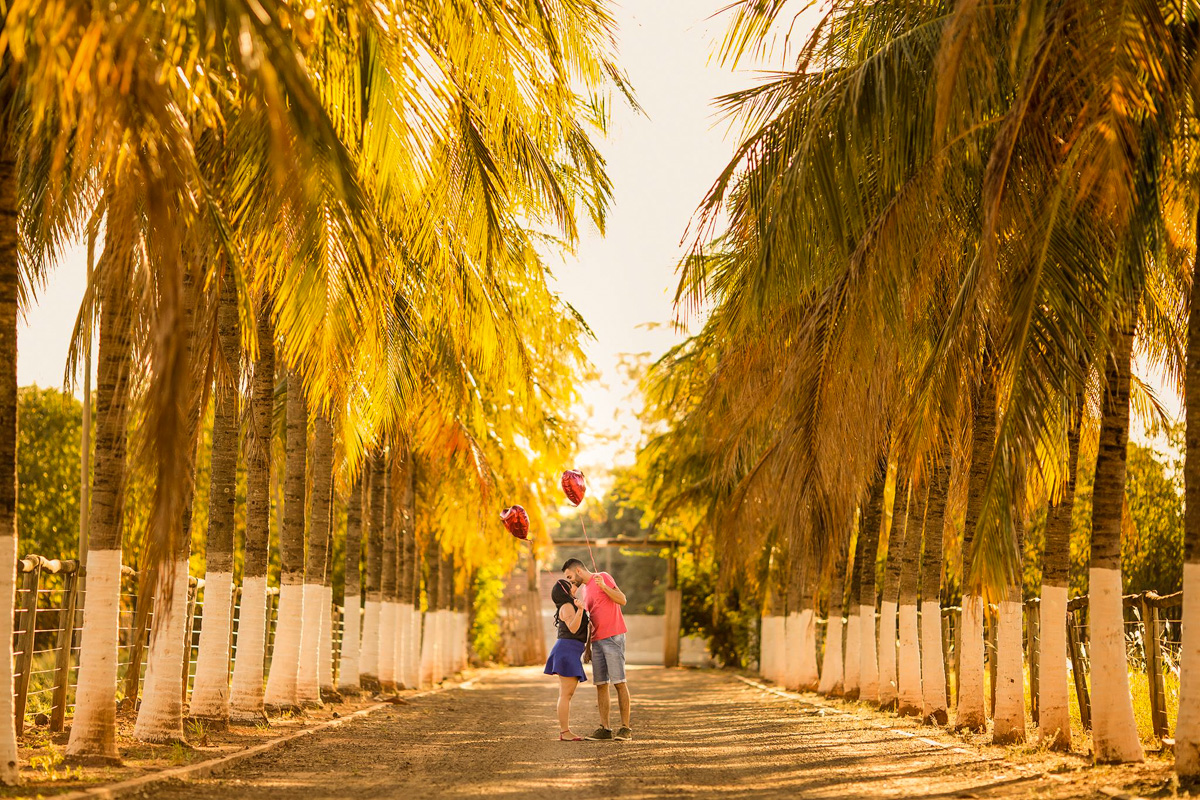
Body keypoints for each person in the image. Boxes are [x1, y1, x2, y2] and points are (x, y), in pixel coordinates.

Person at [562, 557, 631, 741]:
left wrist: (605, 587)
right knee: (601, 685)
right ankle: (605, 729)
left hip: (613, 637)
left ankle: (625, 728)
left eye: (569, 577)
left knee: (619, 682)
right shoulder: (584, 591)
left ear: (578, 571)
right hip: (597, 641)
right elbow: (591, 619)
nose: (570, 581)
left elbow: (622, 600)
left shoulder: (603, 577)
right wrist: (588, 647)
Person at [544, 578, 589, 741]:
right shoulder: (568, 606)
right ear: (565, 591)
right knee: (566, 695)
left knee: (565, 694)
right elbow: (573, 628)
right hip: (567, 650)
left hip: (569, 649)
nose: (574, 588)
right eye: (571, 586)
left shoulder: (569, 604)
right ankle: (565, 732)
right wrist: (581, 610)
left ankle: (565, 732)